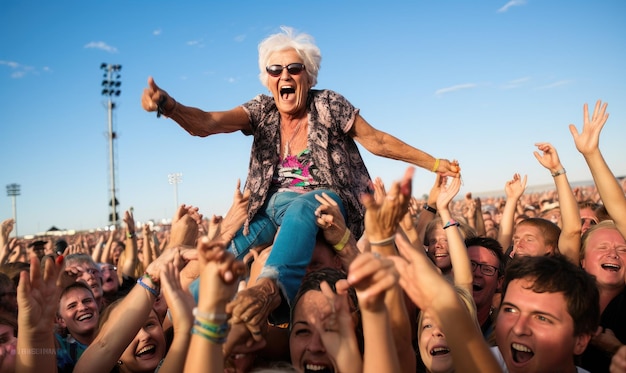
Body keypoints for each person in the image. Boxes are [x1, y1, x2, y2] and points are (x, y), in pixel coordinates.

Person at [142, 26, 460, 334]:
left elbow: (377, 141)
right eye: (275, 70)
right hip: (270, 205)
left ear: (308, 76)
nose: (285, 76)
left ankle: (271, 289)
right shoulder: (261, 111)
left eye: (294, 68)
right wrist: (168, 106)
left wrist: (433, 163)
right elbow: (208, 123)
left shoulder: (329, 105)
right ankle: (183, 319)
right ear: (267, 79)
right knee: (236, 244)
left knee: (304, 207)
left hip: (327, 201)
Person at [493, 255, 599, 373]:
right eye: (510, 310)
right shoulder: (475, 364)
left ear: (580, 341)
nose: (518, 329)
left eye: (542, 318)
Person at [579, 221, 626, 371]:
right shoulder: (565, 300)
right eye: (602, 247)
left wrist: (616, 348)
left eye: (623, 250)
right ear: (583, 261)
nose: (613, 254)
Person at [465, 236, 504, 345]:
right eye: (470, 265)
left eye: (487, 269)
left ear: (499, 282)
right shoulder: (436, 323)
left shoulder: (502, 337)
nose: (477, 273)